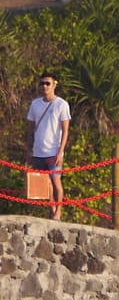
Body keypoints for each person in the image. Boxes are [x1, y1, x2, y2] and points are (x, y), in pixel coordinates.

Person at [25, 72, 70, 222]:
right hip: (38, 151)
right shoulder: (35, 104)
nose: (44, 86)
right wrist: (28, 149)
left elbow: (65, 130)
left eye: (47, 83)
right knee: (45, 184)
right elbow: (30, 129)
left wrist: (60, 151)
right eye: (42, 83)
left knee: (56, 181)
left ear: (54, 85)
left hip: (54, 151)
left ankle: (58, 211)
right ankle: (51, 210)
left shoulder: (61, 104)